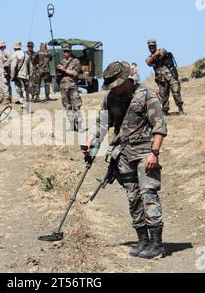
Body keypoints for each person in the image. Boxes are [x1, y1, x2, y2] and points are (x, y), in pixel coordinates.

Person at [84, 61, 168, 259]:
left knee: (149, 195)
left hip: (144, 154)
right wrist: (89, 141)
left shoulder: (146, 95)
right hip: (122, 155)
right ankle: (143, 240)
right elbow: (101, 124)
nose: (114, 88)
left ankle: (157, 244)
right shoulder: (110, 98)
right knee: (133, 198)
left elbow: (159, 126)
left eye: (116, 84)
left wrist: (154, 152)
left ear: (126, 80)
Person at [146, 39, 184, 115]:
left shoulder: (161, 50)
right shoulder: (149, 57)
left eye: (153, 46)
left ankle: (180, 109)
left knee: (176, 92)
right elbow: (149, 62)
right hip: (161, 79)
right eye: (150, 46)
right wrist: (154, 56)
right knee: (163, 95)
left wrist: (155, 55)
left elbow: (161, 53)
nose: (151, 48)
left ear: (156, 46)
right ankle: (165, 111)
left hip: (171, 76)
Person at [56, 44, 83, 131]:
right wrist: (58, 70)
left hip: (72, 86)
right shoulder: (62, 62)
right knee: (67, 106)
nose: (66, 53)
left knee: (76, 106)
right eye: (64, 51)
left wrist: (64, 69)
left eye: (67, 51)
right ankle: (71, 124)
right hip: (63, 86)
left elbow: (75, 73)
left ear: (70, 52)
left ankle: (79, 125)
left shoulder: (76, 61)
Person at [10, 41, 31, 111]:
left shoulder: (14, 55)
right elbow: (30, 66)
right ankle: (27, 104)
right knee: (26, 90)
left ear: (14, 47)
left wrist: (12, 76)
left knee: (19, 90)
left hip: (18, 76)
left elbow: (13, 66)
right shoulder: (26, 55)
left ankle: (23, 104)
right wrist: (29, 75)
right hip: (26, 76)